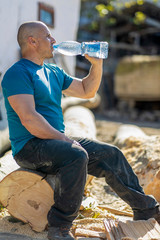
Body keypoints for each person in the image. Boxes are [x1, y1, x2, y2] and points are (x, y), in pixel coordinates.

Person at [1, 21, 160, 240]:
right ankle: (60, 226)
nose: (54, 41)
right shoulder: (17, 74)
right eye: (48, 36)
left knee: (110, 154)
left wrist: (97, 64)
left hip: (54, 142)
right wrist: (65, 141)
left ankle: (146, 209)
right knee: (75, 154)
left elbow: (87, 90)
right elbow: (29, 119)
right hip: (30, 147)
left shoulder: (53, 71)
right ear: (32, 41)